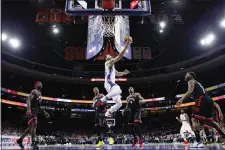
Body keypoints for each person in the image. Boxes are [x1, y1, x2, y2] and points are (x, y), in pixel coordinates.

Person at [177, 72, 225, 148]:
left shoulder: (191, 81)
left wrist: (181, 99)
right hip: (209, 100)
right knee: (210, 122)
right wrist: (220, 112)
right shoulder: (199, 85)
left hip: (201, 99)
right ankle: (223, 135)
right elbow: (214, 103)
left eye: (187, 74)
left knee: (194, 119)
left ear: (192, 76)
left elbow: (190, 92)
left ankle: (198, 141)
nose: (185, 76)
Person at [100, 35, 132, 117]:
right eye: (107, 55)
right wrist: (127, 45)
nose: (109, 55)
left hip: (110, 85)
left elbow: (117, 74)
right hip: (109, 83)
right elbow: (120, 56)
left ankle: (108, 112)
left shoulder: (111, 65)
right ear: (106, 59)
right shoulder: (108, 62)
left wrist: (124, 73)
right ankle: (103, 99)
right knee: (119, 90)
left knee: (119, 104)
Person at [17, 82, 49, 149]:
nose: (40, 84)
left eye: (41, 83)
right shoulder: (34, 91)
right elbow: (28, 100)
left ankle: (20, 140)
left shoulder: (40, 95)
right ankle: (33, 143)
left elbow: (39, 106)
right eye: (39, 83)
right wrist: (28, 109)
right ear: (36, 85)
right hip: (32, 110)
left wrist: (44, 112)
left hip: (35, 111)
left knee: (30, 128)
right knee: (34, 125)